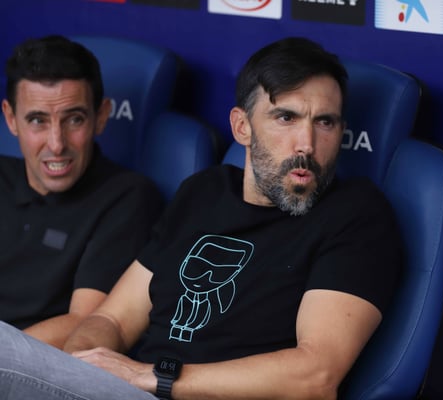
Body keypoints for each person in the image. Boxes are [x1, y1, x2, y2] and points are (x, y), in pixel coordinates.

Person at [0, 37, 401, 399]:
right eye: (286, 118)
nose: (307, 144)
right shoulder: (204, 191)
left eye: (325, 122)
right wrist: (78, 369)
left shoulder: (356, 214)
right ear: (242, 127)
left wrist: (151, 377)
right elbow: (113, 319)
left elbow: (316, 376)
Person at [0, 35, 163, 349]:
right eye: (37, 120)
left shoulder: (126, 196)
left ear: (101, 116)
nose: (57, 144)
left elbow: (86, 321)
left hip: (31, 365)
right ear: (11, 118)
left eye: (74, 119)